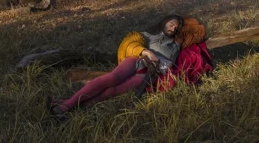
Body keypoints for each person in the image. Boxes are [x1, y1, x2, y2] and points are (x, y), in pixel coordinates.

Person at [47, 15, 184, 120]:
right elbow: (131, 44)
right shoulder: (149, 35)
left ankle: (66, 105)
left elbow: (171, 63)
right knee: (111, 79)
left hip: (148, 73)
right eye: (171, 24)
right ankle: (66, 106)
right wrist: (146, 51)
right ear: (165, 22)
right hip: (137, 60)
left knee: (113, 91)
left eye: (175, 28)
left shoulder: (176, 46)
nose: (172, 29)